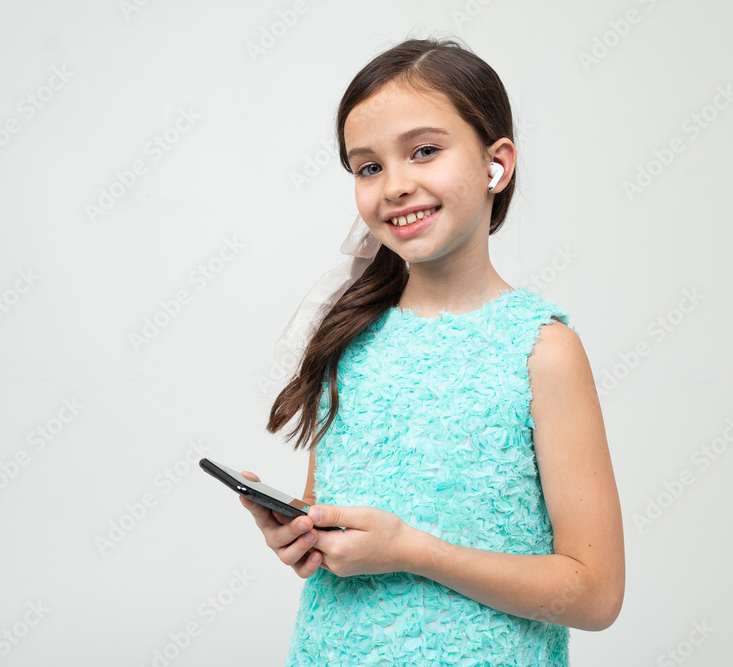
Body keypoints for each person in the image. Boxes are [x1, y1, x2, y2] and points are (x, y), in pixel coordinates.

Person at [239, 34, 625, 665]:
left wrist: (414, 552)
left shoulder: (541, 351)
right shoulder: (347, 337)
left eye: (424, 150)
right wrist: (301, 531)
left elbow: (596, 593)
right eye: (368, 167)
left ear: (496, 164)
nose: (395, 185)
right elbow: (336, 517)